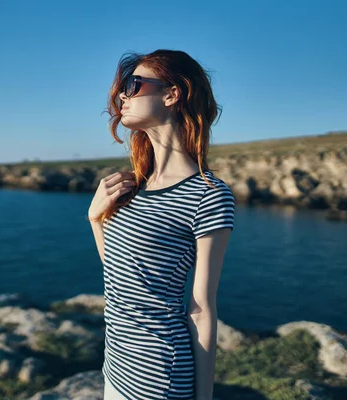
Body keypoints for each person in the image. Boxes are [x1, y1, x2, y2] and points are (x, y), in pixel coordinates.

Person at [87, 49, 236, 400]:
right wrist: (95, 219)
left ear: (172, 94)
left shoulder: (208, 195)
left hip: (158, 377)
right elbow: (125, 276)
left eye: (135, 85)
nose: (123, 95)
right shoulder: (135, 186)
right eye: (124, 87)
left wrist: (204, 397)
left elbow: (202, 309)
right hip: (116, 365)